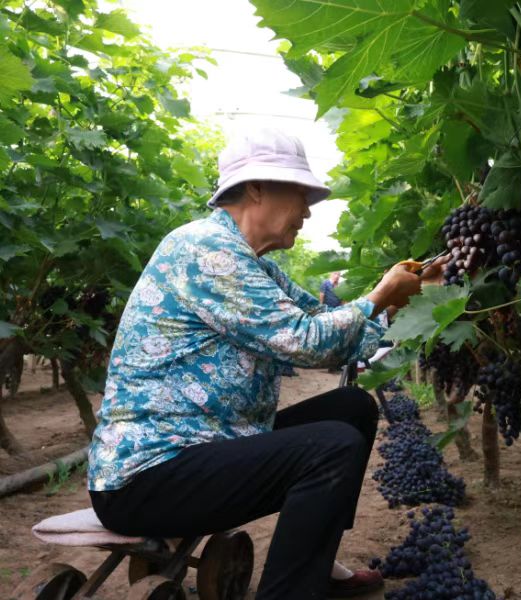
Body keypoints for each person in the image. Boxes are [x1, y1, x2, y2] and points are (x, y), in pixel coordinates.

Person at [86, 128, 444, 599]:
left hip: (210, 444)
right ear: (256, 188)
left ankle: (318, 561)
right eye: (301, 195)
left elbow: (330, 333)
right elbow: (305, 342)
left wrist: (395, 302)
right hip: (149, 475)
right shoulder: (205, 250)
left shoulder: (255, 265)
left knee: (352, 409)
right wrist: (380, 294)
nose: (307, 211)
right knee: (332, 446)